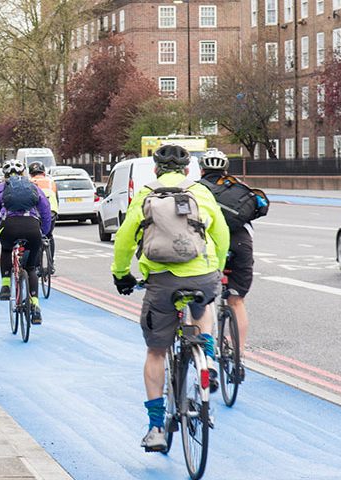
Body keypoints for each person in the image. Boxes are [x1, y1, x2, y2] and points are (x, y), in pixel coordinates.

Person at [111, 144, 229, 452]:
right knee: (203, 305)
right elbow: (222, 232)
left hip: (162, 281)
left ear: (156, 170)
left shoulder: (146, 193)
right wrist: (216, 266)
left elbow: (125, 237)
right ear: (187, 170)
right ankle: (209, 360)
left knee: (156, 352)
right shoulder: (201, 192)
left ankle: (155, 428)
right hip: (202, 274)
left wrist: (121, 272)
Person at [198, 149, 267, 363]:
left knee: (202, 297)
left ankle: (205, 348)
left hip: (209, 244)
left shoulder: (196, 190)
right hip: (240, 244)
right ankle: (238, 352)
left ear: (201, 169)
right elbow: (261, 206)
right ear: (225, 169)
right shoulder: (239, 187)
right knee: (236, 301)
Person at [0, 160, 53, 323]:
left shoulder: (0, 189)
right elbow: (46, 210)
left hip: (9, 227)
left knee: (7, 249)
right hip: (32, 227)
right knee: (30, 268)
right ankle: (35, 307)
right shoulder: (32, 187)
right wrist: (45, 232)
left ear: (5, 175)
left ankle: (6, 285)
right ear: (23, 174)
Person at [28, 161, 58, 272]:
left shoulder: (30, 182)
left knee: (35, 237)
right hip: (52, 211)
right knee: (49, 236)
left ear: (31, 173)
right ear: (43, 172)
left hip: (37, 212)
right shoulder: (51, 181)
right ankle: (51, 264)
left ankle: (36, 265)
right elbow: (56, 197)